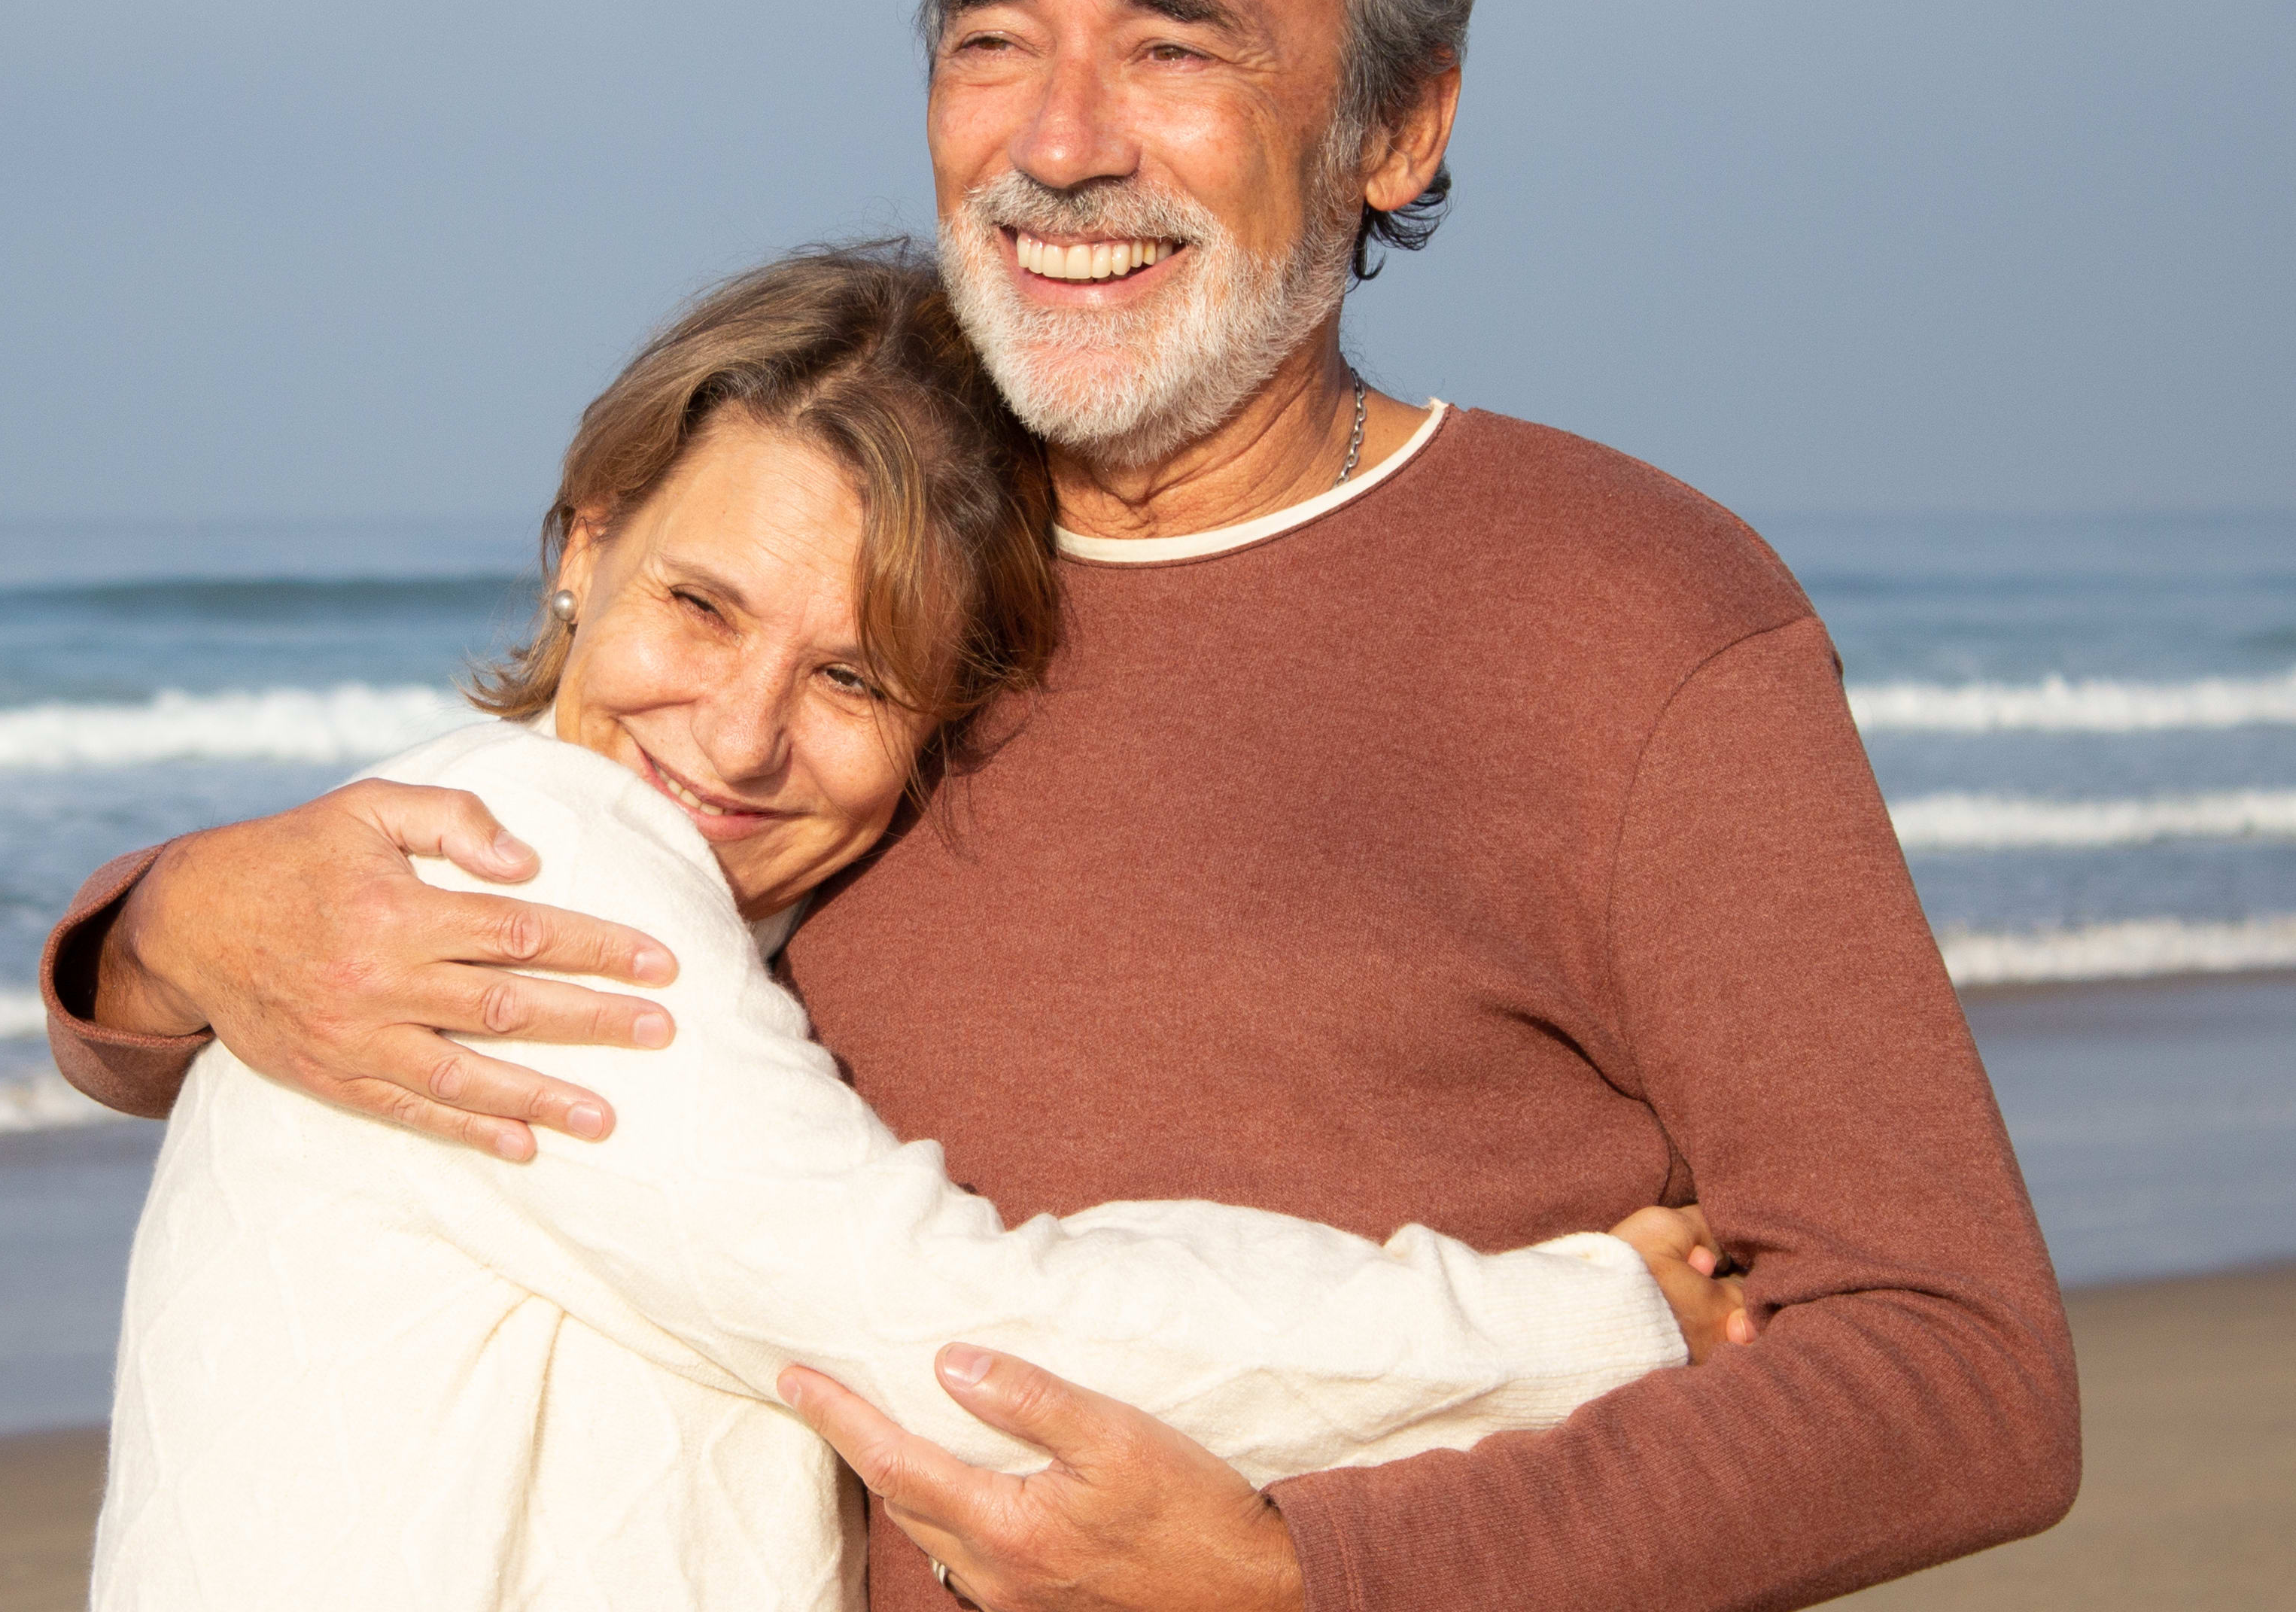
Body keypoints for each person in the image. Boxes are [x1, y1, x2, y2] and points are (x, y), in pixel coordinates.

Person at [44, 0, 2077, 1610]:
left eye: (1172, 50)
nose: (1060, 141)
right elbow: (497, 950)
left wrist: (1312, 1577)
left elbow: (1952, 1372)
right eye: (990, 42)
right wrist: (168, 928)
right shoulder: (848, 546)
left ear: (1394, 121)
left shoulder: (1624, 610)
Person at [93, 248, 1742, 1610]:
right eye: (700, 603)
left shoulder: (563, 869)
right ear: (587, 547)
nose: (738, 734)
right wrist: (1585, 1318)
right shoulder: (523, 859)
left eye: (852, 675)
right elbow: (967, 1335)